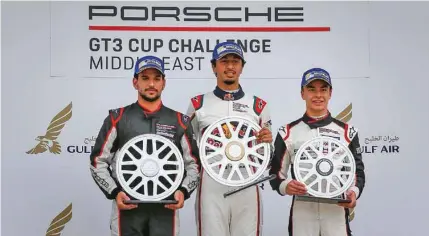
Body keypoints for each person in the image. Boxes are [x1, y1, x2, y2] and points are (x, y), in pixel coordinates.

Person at [89, 55, 200, 236]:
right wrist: (115, 192)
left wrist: (183, 191)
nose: (151, 84)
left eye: (157, 78)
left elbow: (194, 165)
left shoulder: (180, 121)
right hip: (127, 208)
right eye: (145, 78)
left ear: (164, 83)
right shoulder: (117, 118)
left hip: (166, 208)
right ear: (135, 82)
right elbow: (97, 161)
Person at [186, 41, 273, 236]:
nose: (230, 66)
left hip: (247, 183)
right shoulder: (198, 104)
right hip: (211, 183)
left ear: (242, 66)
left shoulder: (258, 105)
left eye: (235, 61)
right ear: (213, 66)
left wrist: (267, 142)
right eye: (224, 61)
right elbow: (187, 149)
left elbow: (268, 156)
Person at [269, 68, 366, 236]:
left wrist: (353, 193)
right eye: (311, 89)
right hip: (303, 210)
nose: (318, 95)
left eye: (323, 89)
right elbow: (275, 173)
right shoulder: (287, 132)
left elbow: (357, 172)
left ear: (330, 93)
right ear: (302, 94)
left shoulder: (347, 132)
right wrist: (286, 186)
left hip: (335, 210)